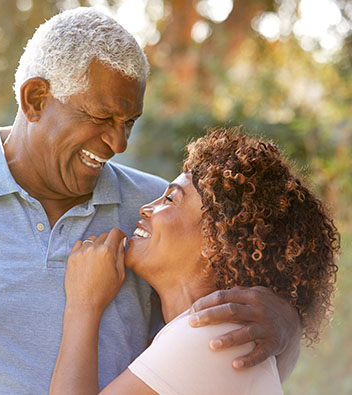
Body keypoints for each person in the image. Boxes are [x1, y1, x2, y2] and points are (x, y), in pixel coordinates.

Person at [0, 8, 301, 394]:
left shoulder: (154, 213)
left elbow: (227, 350)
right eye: (101, 117)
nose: (118, 144)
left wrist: (287, 325)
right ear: (35, 99)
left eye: (129, 122)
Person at [50, 128, 339, 394]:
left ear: (217, 241)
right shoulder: (218, 336)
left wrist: (83, 304)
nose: (146, 208)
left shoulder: (208, 339)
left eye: (170, 200)